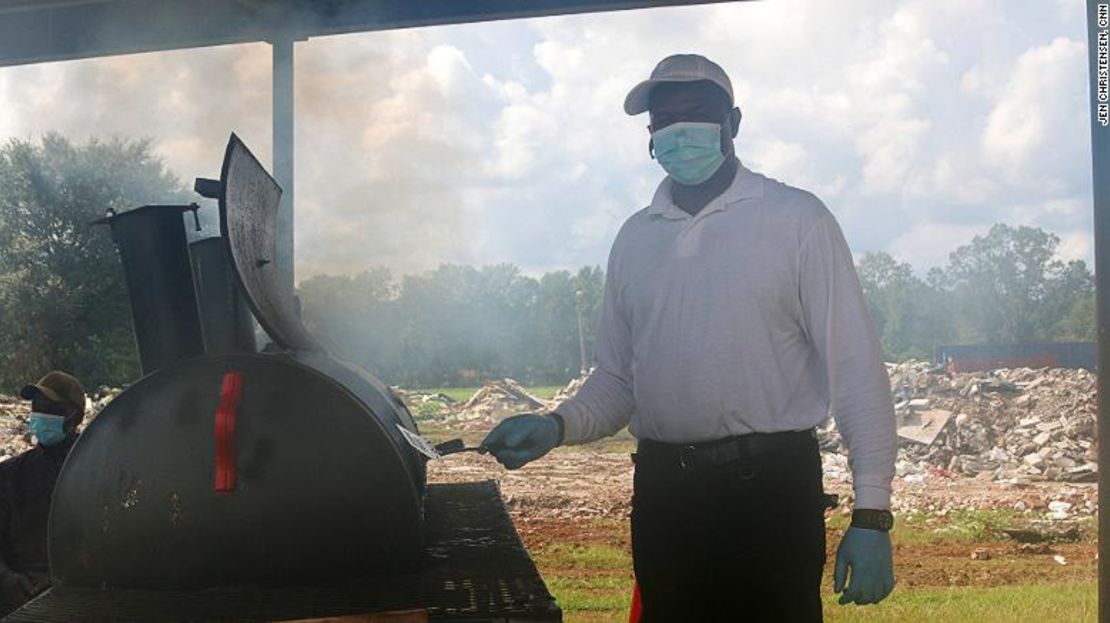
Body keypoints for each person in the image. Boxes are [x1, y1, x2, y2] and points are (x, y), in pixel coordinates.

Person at [482, 54, 897, 621]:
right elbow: (618, 381)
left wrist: (871, 515)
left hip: (769, 493)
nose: (680, 131)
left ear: (734, 122)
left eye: (697, 113)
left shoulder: (797, 221)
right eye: (663, 120)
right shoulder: (635, 239)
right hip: (665, 495)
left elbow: (856, 372)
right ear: (650, 136)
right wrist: (556, 425)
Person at [0, 370, 86, 617]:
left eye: (52, 408)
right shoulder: (10, 474)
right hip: (20, 590)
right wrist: (7, 579)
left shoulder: (95, 467)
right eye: (37, 406)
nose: (41, 414)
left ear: (75, 417)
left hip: (79, 589)